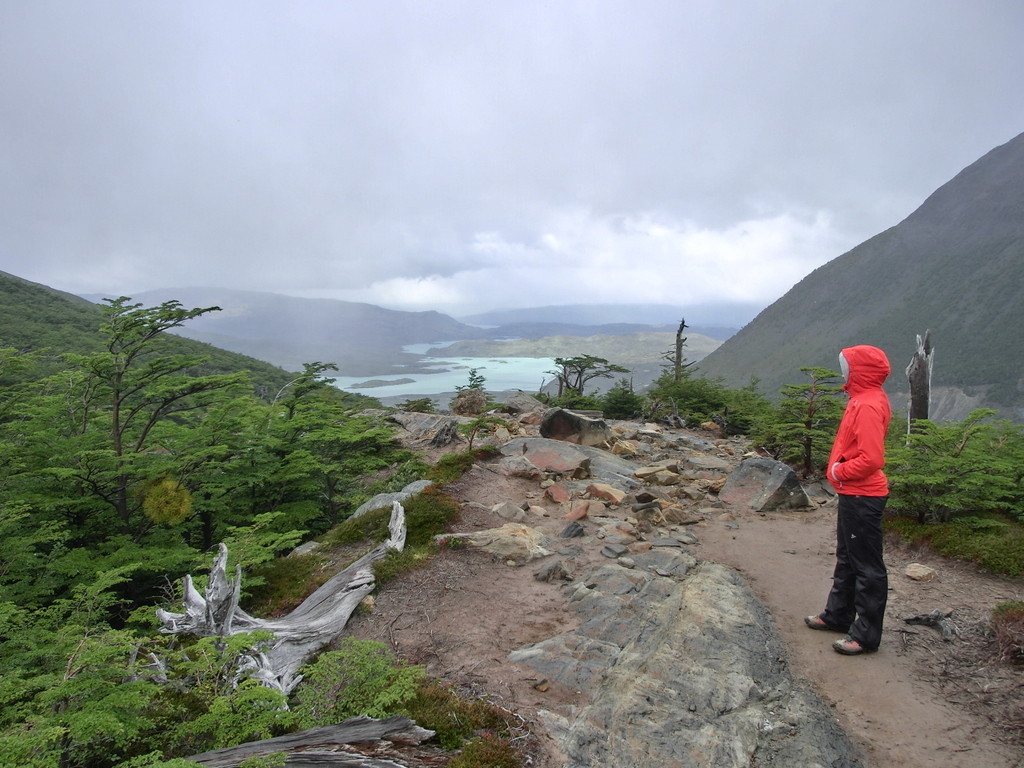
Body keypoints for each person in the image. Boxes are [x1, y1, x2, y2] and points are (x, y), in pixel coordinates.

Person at [805, 345, 892, 655]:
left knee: (866, 565)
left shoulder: (867, 405)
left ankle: (865, 636)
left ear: (859, 371)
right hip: (854, 492)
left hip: (862, 493)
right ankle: (838, 615)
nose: (843, 371)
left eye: (847, 366)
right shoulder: (863, 398)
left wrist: (838, 471)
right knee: (848, 557)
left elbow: (872, 458)